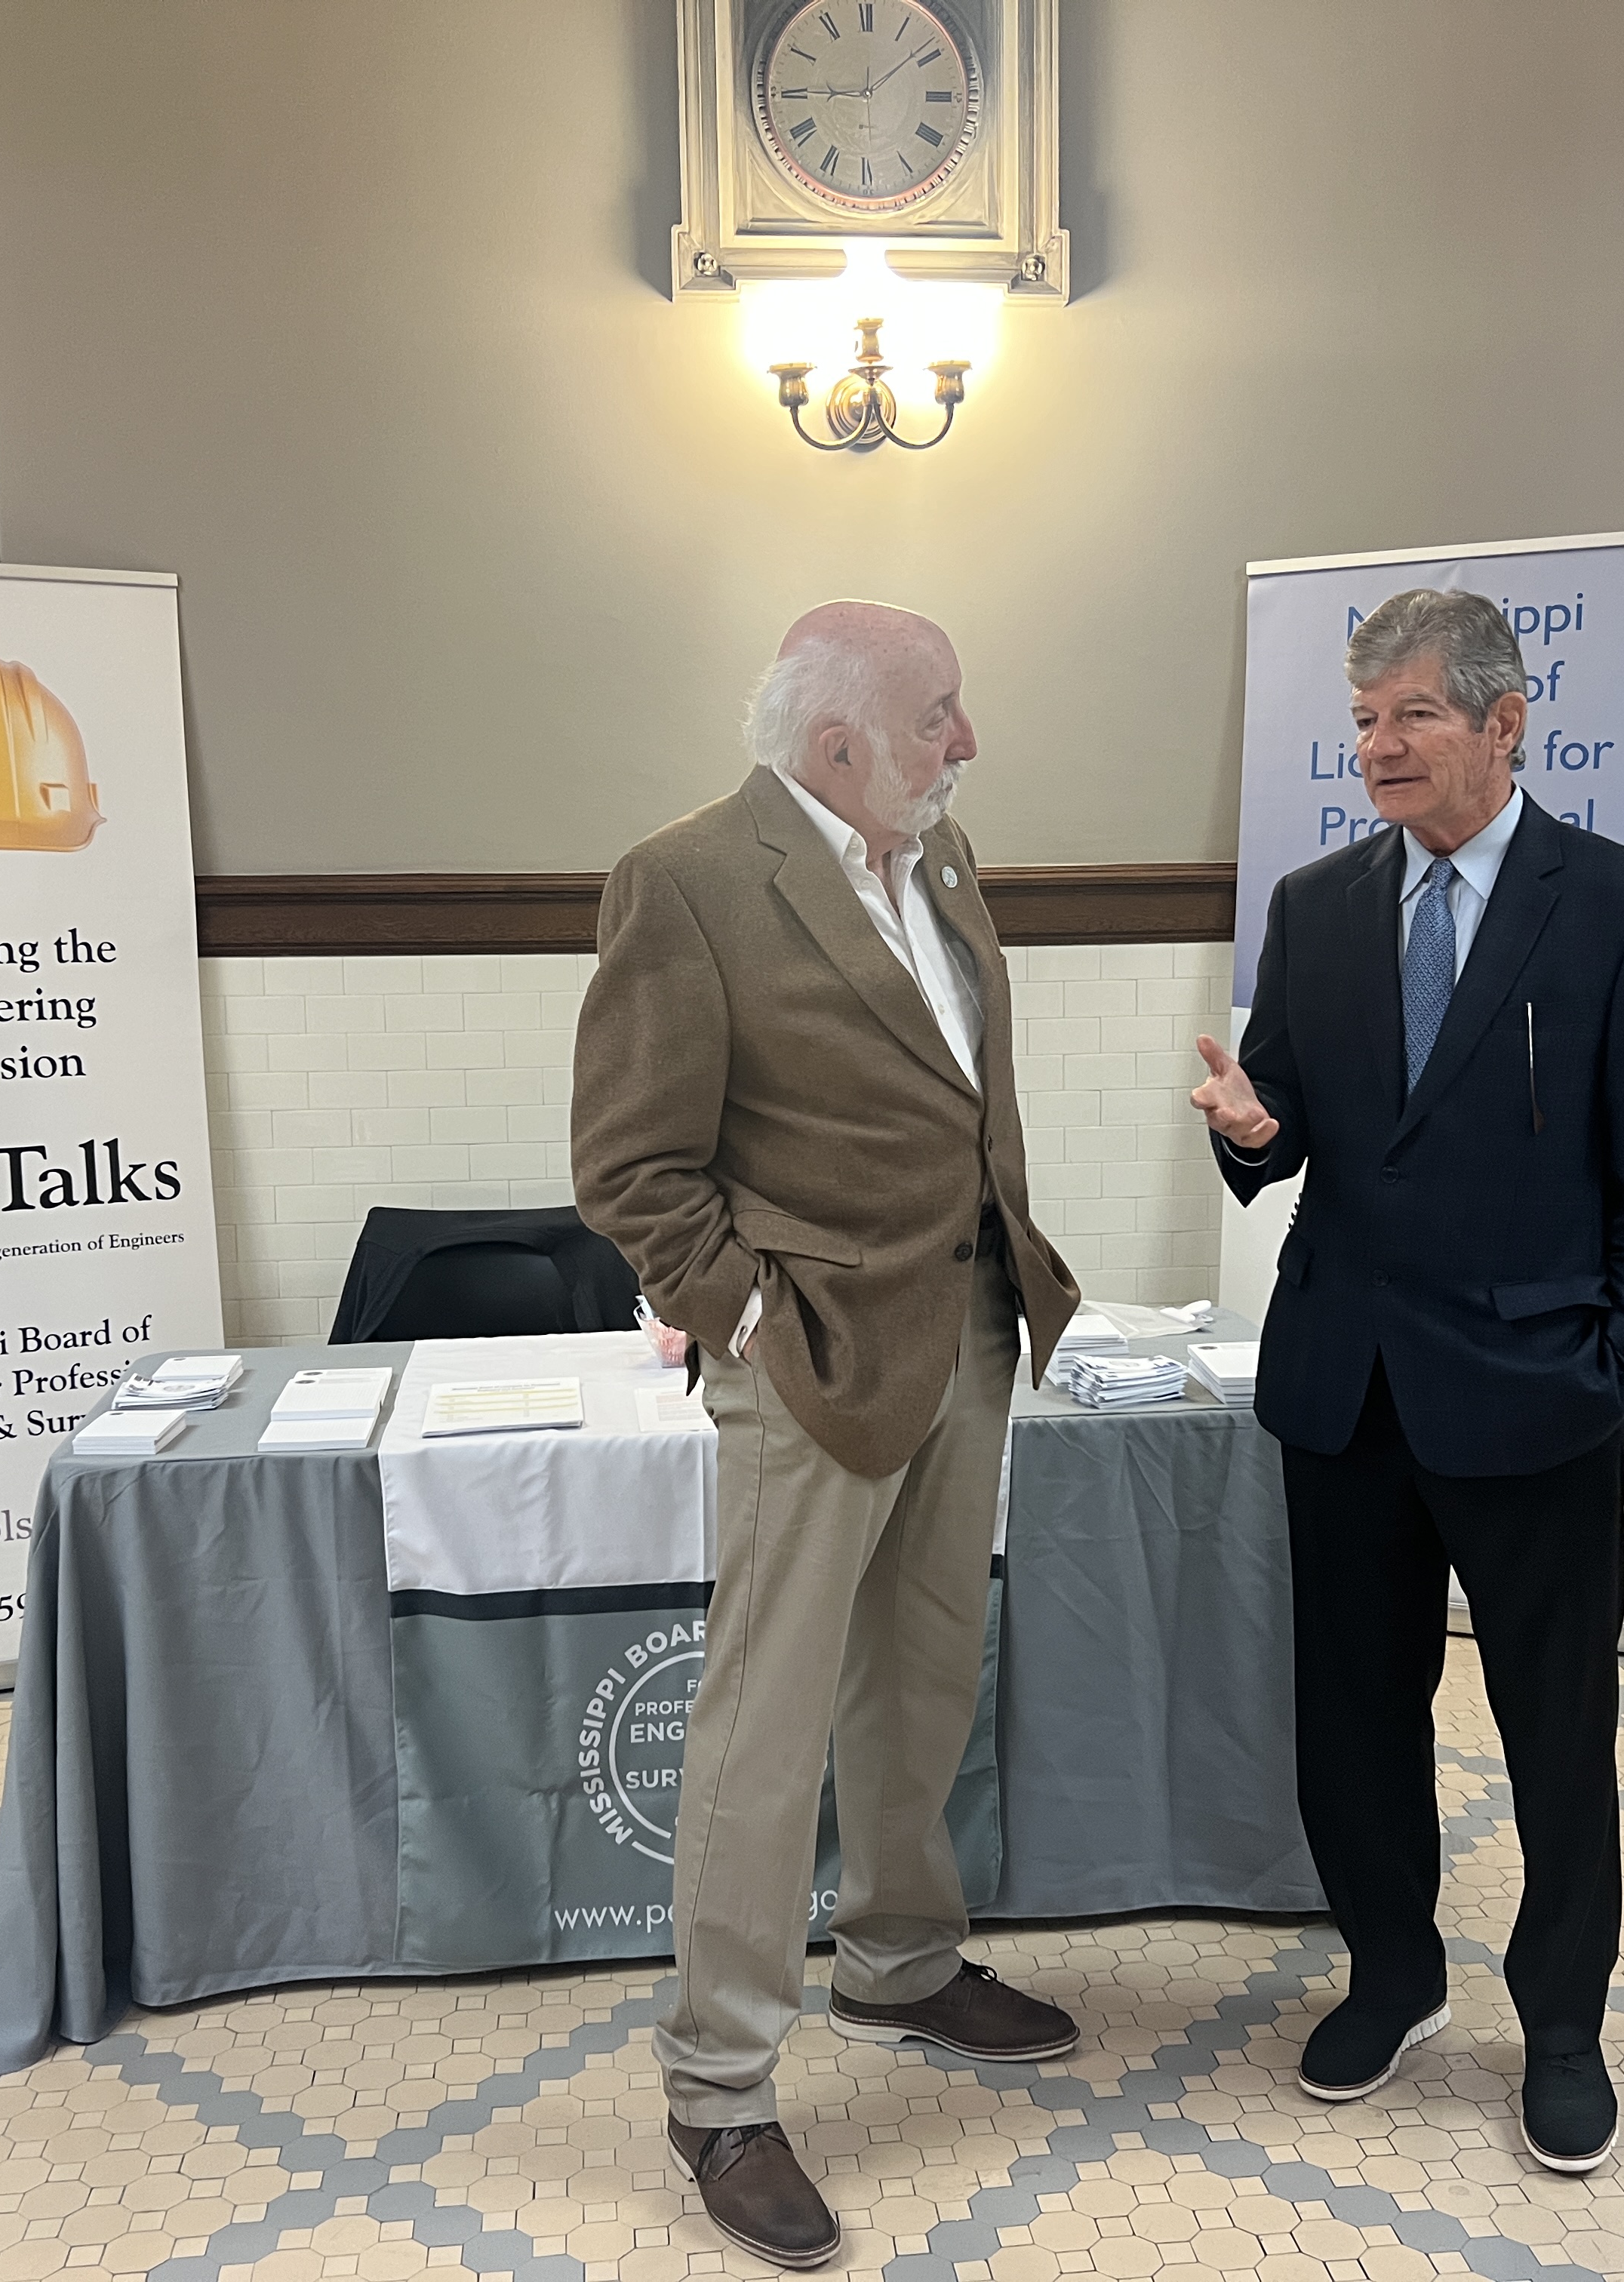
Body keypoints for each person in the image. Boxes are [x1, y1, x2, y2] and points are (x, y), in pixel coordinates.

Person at [572, 600, 1086, 2269]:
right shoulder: (694, 879)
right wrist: (741, 1320)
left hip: (970, 1326)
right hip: (812, 1357)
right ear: (838, 739)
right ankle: (719, 2086)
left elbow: (958, 1094)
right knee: (766, 1718)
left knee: (922, 1674)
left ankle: (902, 1959)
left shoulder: (938, 858)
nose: (968, 743)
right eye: (943, 713)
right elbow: (635, 1167)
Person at [1189, 586, 1624, 2173]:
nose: (1379, 747)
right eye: (1361, 720)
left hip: (1537, 1388)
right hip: (1347, 1389)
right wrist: (1250, 1133)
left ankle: (1560, 2023)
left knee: (1557, 1728)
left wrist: (1622, 1354)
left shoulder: (1619, 904)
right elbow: (1282, 1103)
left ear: (1505, 723)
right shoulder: (1319, 902)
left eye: (1412, 714)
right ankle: (1391, 1971)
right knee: (1351, 1713)